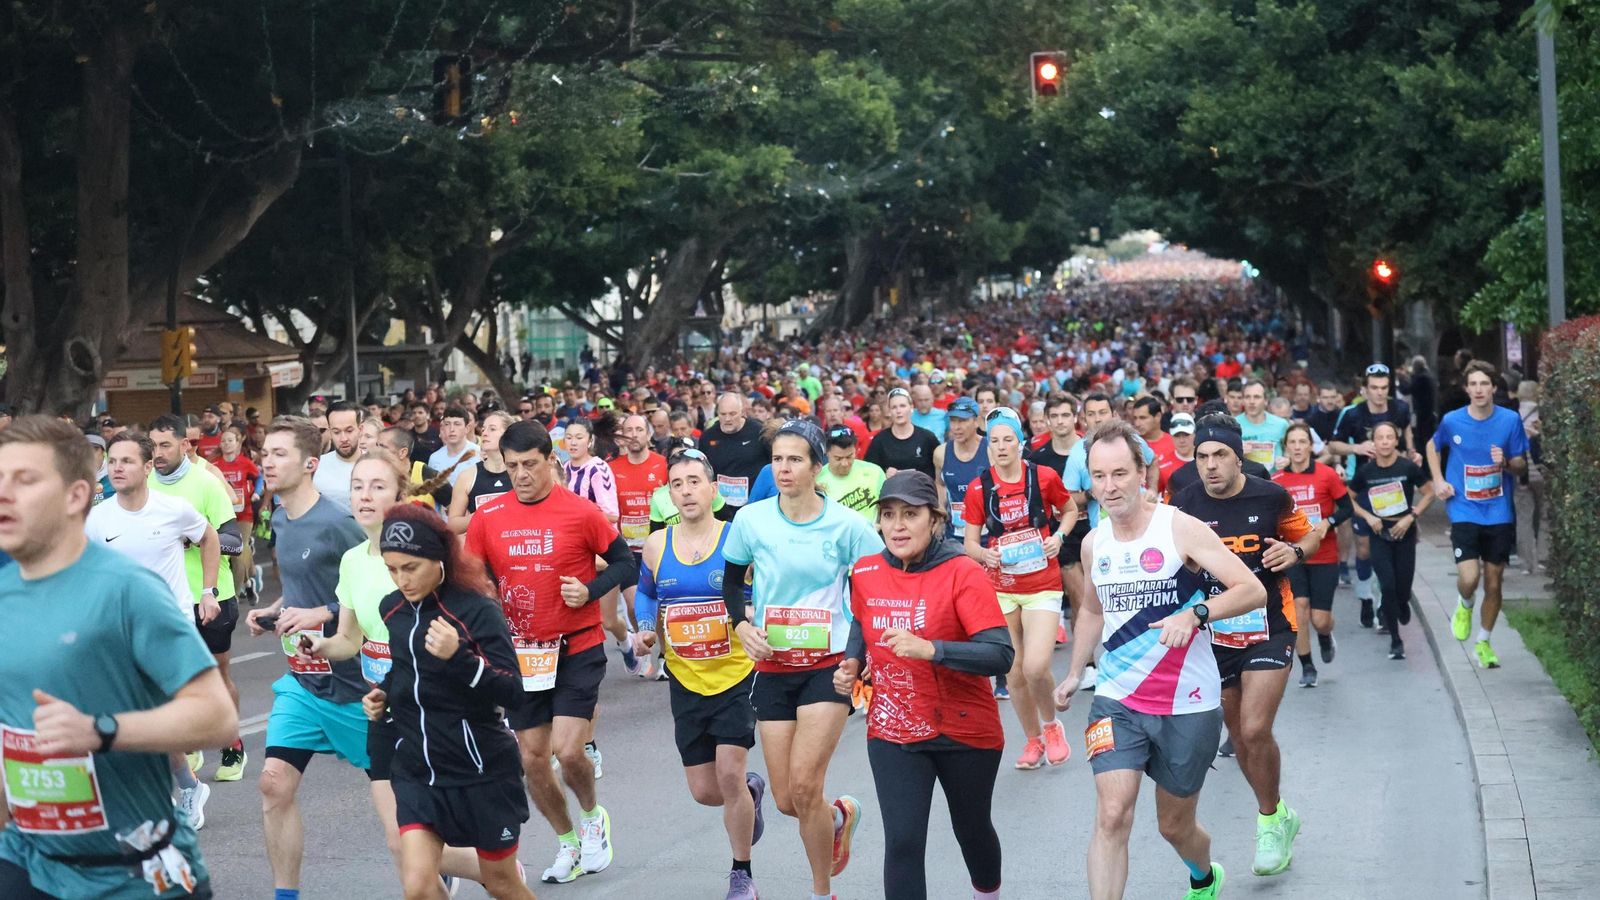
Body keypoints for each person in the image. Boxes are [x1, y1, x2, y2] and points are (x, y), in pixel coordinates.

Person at [0, 415, 237, 899]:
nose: (4, 493)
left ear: (76, 496)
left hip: (133, 871)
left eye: (25, 480)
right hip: (29, 861)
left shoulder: (127, 591)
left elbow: (217, 716)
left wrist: (101, 732)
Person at [1051, 419, 1267, 900]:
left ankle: (1203, 874)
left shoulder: (1180, 528)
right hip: (1117, 699)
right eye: (1099, 475)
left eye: (1120, 473)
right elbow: (1090, 608)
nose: (1109, 486)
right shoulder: (1094, 542)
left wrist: (1196, 614)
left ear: (1142, 472)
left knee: (1174, 825)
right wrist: (1073, 671)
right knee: (1112, 814)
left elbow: (1251, 590)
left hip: (1187, 703)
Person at [300, 451, 487, 893]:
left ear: (400, 495)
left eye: (377, 486)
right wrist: (319, 644)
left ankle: (494, 872)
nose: (364, 495)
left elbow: (462, 623)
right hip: (383, 714)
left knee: (424, 845)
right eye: (357, 486)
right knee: (398, 841)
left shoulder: (422, 556)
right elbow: (350, 640)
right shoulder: (351, 561)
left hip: (435, 715)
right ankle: (487, 871)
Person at [463, 420, 636, 885]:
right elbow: (472, 576)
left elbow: (624, 561)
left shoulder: (580, 513)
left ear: (550, 462)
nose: (520, 475)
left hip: (577, 647)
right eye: (512, 465)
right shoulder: (489, 516)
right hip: (523, 654)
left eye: (530, 465)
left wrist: (590, 588)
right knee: (533, 759)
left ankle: (592, 815)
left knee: (568, 750)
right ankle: (568, 843)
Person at [721, 418, 884, 900]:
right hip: (773, 666)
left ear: (817, 468)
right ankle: (837, 818)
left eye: (795, 459)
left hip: (827, 667)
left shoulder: (849, 526)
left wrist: (857, 658)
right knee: (790, 799)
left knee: (806, 786)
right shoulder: (752, 520)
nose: (784, 468)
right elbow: (732, 584)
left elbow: (873, 595)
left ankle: (820, 892)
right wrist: (743, 626)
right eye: (777, 459)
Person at [837, 471, 1013, 900]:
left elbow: (1000, 654)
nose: (897, 525)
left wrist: (933, 649)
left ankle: (986, 892)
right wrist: (853, 661)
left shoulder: (962, 572)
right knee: (903, 841)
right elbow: (862, 619)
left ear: (934, 521)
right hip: (893, 727)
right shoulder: (865, 570)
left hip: (965, 728)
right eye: (888, 514)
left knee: (971, 828)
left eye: (910, 515)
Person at [362, 505, 536, 900]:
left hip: (481, 772)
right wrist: (383, 695)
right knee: (419, 887)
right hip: (419, 772)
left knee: (503, 883)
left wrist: (459, 658)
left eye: (411, 567)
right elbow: (405, 670)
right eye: (392, 569)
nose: (402, 580)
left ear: (439, 558)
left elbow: (513, 691)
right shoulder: (393, 609)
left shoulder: (476, 610)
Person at [1171, 413, 1317, 877]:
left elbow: (1313, 533)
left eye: (1220, 456)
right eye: (1202, 457)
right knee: (1237, 735)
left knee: (1254, 729)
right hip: (1215, 631)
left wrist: (1294, 553)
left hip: (1271, 622)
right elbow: (1174, 569)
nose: (1210, 465)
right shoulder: (1184, 502)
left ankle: (1269, 822)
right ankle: (1278, 811)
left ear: (1239, 459)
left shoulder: (1270, 495)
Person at [243, 416, 371, 900]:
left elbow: (378, 591)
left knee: (402, 812)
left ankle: (478, 868)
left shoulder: (339, 523)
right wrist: (274, 611)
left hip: (356, 688)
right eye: (265, 453)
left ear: (310, 464)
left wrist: (323, 611)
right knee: (273, 784)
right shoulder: (278, 517)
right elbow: (300, 587)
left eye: (279, 454)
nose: (267, 462)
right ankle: (286, 896)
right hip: (303, 680)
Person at [634, 449, 766, 900]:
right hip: (685, 676)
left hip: (736, 674)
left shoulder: (737, 539)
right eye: (677, 484)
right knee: (705, 791)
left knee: (729, 774)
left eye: (694, 481)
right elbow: (646, 597)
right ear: (669, 494)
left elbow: (762, 591)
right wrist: (647, 631)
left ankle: (741, 874)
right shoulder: (657, 543)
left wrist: (752, 618)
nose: (686, 490)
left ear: (714, 489)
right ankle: (751, 793)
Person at [86, 431, 222, 828]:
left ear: (147, 467)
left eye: (127, 461)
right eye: (113, 461)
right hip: (118, 633)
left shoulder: (173, 509)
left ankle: (163, 798)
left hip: (169, 628)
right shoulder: (97, 519)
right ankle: (186, 785)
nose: (117, 467)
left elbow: (208, 536)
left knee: (149, 719)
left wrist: (208, 591)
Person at [962, 407, 1078, 769]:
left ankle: (1052, 726)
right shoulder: (979, 488)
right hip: (1001, 587)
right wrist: (985, 555)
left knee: (1036, 665)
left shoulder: (1043, 477)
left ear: (1020, 443)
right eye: (994, 441)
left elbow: (1070, 510)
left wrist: (1058, 538)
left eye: (1007, 439)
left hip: (1042, 582)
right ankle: (1033, 741)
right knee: (1013, 671)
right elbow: (969, 543)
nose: (1000, 447)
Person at [146, 415, 247, 784]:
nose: (157, 453)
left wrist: (192, 539)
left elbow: (233, 540)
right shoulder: (145, 486)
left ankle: (231, 742)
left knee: (217, 676)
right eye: (153, 446)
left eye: (165, 445)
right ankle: (189, 744)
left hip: (212, 596)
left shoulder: (205, 483)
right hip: (165, 599)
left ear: (184, 446)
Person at [1428, 361, 1527, 669]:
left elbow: (1521, 464)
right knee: (1469, 577)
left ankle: (1483, 642)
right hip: (1464, 507)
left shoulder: (1510, 420)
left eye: (1485, 384)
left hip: (1497, 510)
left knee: (1494, 583)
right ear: (1467, 389)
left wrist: (1506, 463)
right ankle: (1465, 603)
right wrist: (1439, 481)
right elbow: (1433, 446)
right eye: (1474, 384)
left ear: (1494, 388)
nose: (1480, 389)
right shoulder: (1453, 421)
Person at [1328, 363, 1416, 623]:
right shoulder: (1353, 414)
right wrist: (1357, 448)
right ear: (1364, 390)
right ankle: (1365, 595)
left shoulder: (1400, 409)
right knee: (1364, 549)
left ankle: (1383, 602)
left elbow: (1408, 439)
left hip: (1394, 485)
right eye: (1374, 388)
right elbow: (1333, 445)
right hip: (1363, 485)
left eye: (1384, 388)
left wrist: (1412, 455)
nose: (1379, 394)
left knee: (1390, 546)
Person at [1271, 423, 1353, 686]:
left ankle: (1326, 634)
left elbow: (1347, 508)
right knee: (1299, 609)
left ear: (1310, 446)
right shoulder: (1276, 481)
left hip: (1324, 554)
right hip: (1292, 556)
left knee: (1320, 618)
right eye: (1292, 442)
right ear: (1286, 447)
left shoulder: (1326, 474)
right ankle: (1307, 666)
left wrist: (1329, 521)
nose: (1297, 447)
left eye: (1301, 442)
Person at [1351, 422, 1435, 661]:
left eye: (1389, 437)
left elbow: (1430, 492)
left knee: (1402, 585)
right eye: (1380, 438)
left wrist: (1412, 517)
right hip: (1380, 534)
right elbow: (1348, 498)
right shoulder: (1367, 472)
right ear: (1374, 443)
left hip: (1404, 532)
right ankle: (1396, 640)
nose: (1385, 442)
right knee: (1387, 584)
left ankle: (1403, 601)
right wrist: (1368, 517)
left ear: (1396, 441)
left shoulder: (1407, 467)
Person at [563, 417, 637, 676]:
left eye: (579, 437)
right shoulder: (563, 469)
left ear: (590, 441)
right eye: (569, 437)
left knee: (607, 619)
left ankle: (626, 642)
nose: (573, 442)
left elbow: (611, 514)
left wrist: (576, 514)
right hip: (574, 551)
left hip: (603, 551)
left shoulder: (598, 468)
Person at [213, 427, 261, 604]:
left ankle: (232, 596)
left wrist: (257, 492)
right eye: (223, 441)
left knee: (239, 554)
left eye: (230, 440)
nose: (226, 444)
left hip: (244, 514)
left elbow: (259, 477)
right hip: (223, 515)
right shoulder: (216, 466)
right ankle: (249, 582)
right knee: (228, 554)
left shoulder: (245, 463)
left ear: (238, 443)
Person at [700, 393, 768, 516]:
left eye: (732, 414)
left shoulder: (759, 432)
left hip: (754, 507)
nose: (727, 419)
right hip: (720, 508)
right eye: (723, 414)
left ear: (742, 412)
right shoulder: (707, 437)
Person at [446, 411, 514, 534]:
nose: (484, 433)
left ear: (508, 435)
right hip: (481, 550)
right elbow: (453, 525)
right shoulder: (467, 476)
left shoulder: (520, 473)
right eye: (483, 429)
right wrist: (484, 514)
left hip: (515, 547)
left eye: (492, 429)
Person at [935, 397, 988, 543]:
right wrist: (941, 512)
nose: (956, 427)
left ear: (976, 421)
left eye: (962, 421)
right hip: (955, 536)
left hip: (988, 536)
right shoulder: (941, 453)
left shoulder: (991, 450)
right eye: (953, 420)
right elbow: (940, 483)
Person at [865, 388, 940, 479]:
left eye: (902, 406)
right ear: (889, 411)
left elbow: (939, 470)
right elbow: (869, 473)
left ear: (911, 407)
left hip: (922, 490)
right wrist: (884, 475)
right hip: (891, 491)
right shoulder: (879, 440)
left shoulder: (927, 438)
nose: (898, 411)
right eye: (894, 407)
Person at [816, 425, 885, 520]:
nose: (845, 463)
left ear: (855, 450)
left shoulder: (875, 472)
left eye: (849, 457)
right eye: (838, 458)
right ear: (827, 453)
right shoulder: (817, 481)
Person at [313, 401, 363, 512]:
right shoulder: (316, 468)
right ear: (330, 432)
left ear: (361, 429)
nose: (343, 438)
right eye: (336, 432)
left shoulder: (378, 464)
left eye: (349, 431)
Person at [1235, 382, 1289, 470]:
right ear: (1243, 400)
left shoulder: (1281, 424)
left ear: (1266, 401)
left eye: (1257, 397)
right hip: (1244, 481)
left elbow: (1290, 451)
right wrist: (1237, 453)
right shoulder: (1233, 425)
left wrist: (1287, 460)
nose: (1252, 402)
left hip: (1273, 481)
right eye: (1247, 397)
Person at [427, 407, 479, 490]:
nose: (452, 429)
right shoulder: (434, 458)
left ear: (467, 429)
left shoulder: (479, 454)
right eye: (447, 424)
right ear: (443, 428)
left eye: (457, 424)